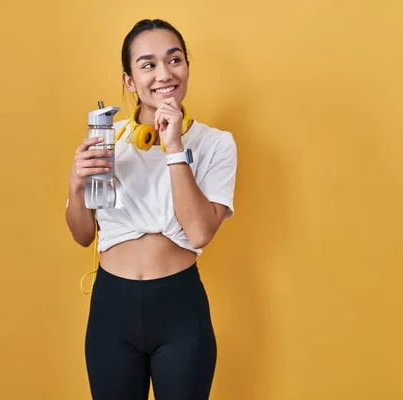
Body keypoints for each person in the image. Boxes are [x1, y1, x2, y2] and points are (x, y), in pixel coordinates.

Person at [66, 18, 237, 400]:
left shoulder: (216, 144)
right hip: (112, 308)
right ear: (129, 80)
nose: (164, 74)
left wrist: (174, 147)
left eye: (174, 60)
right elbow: (82, 236)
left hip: (179, 308)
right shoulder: (108, 142)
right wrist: (76, 185)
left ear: (187, 67)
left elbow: (199, 232)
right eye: (148, 65)